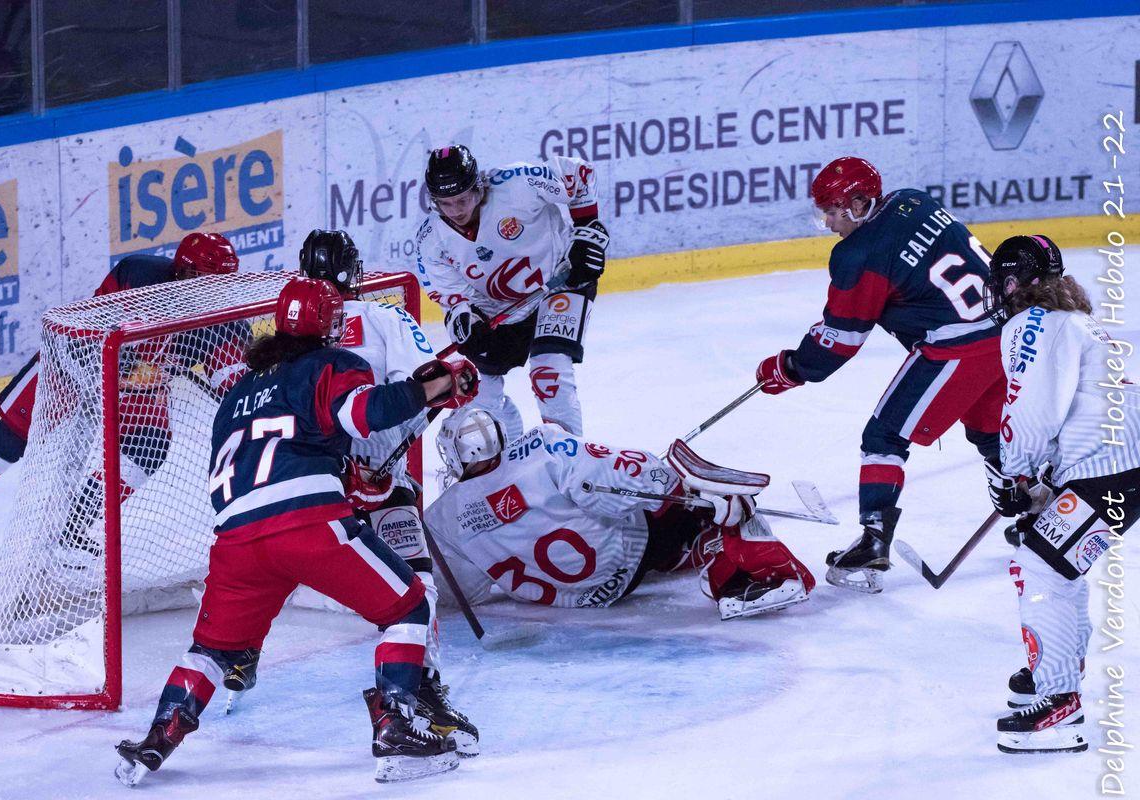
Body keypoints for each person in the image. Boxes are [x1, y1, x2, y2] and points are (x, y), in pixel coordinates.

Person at [114, 277, 480, 785]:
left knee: (212, 651)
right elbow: (363, 414)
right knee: (410, 605)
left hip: (235, 539)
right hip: (307, 524)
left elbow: (264, 458)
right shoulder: (332, 363)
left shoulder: (236, 395)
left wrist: (338, 468)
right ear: (330, 326)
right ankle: (395, 727)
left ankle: (156, 740)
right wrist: (431, 387)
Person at [261, 228, 475, 755]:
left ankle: (217, 668)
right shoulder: (385, 318)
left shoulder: (284, 340)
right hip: (364, 488)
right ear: (355, 274)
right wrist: (448, 386)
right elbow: (420, 387)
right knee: (413, 590)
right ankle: (416, 695)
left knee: (259, 582)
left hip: (304, 493)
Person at [754, 156, 1004, 593]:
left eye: (832, 211)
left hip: (956, 345)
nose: (829, 222)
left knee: (885, 437)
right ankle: (1036, 508)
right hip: (1006, 332)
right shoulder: (913, 200)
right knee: (990, 431)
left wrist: (793, 366)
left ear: (858, 203)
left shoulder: (858, 253)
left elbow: (844, 339)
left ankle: (874, 539)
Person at [0, 233, 242, 538]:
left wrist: (240, 396)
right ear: (183, 270)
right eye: (206, 280)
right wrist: (126, 360)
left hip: (138, 389)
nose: (213, 292)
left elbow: (234, 385)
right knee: (12, 436)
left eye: (221, 283)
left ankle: (74, 527)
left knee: (148, 446)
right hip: (76, 361)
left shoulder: (228, 321)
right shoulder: (139, 275)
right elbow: (93, 328)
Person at [980, 235, 1139, 754]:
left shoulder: (1030, 326)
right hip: (1119, 467)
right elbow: (1075, 414)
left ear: (1010, 282)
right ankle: (1058, 672)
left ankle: (1058, 702)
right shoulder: (1071, 320)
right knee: (1055, 559)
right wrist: (1041, 490)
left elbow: (1030, 412)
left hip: (1108, 470)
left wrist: (1015, 480)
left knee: (1042, 563)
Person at [425, 407, 814, 619]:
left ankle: (697, 543)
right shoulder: (542, 446)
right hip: (628, 556)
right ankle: (740, 559)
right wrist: (671, 484)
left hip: (572, 600)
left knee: (666, 532)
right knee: (701, 511)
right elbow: (614, 479)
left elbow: (456, 592)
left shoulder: (443, 518)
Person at [413, 144, 608, 441]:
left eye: (463, 199)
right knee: (477, 392)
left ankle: (570, 457)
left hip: (562, 280)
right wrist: (467, 320)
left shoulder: (517, 184)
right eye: (446, 203)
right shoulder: (431, 240)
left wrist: (586, 231)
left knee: (548, 369)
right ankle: (506, 446)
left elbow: (580, 174)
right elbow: (452, 296)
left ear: (478, 186)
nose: (457, 210)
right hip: (499, 309)